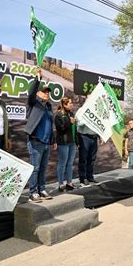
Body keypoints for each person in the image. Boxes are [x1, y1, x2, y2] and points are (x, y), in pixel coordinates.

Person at [25, 68, 56, 202]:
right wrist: (37, 78)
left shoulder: (49, 106)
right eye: (44, 91)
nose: (47, 93)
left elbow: (50, 124)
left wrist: (53, 140)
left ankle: (42, 189)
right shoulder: (33, 103)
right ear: (38, 93)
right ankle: (33, 192)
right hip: (35, 141)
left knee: (43, 168)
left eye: (48, 92)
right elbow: (31, 92)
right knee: (35, 168)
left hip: (46, 142)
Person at [76, 96, 100, 186]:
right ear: (86, 99)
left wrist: (99, 136)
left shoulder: (96, 111)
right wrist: (87, 119)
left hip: (94, 137)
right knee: (83, 159)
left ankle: (90, 176)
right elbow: (78, 124)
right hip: (85, 137)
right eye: (89, 98)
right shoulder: (81, 110)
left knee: (92, 159)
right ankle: (83, 178)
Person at [54, 96, 76, 192]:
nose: (72, 105)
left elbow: (74, 129)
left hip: (72, 142)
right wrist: (69, 122)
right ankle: (60, 183)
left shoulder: (71, 114)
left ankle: (69, 182)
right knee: (62, 163)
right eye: (70, 103)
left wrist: (77, 141)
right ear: (64, 104)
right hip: (63, 142)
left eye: (71, 103)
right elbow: (60, 128)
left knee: (70, 163)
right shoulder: (58, 114)